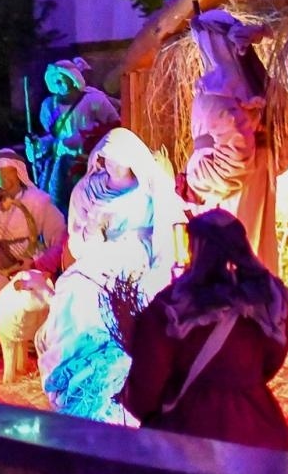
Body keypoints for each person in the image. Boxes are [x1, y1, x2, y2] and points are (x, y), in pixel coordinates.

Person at [35, 128, 187, 425]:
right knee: (72, 285)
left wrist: (160, 267)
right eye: (106, 159)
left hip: (137, 251)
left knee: (102, 288)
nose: (111, 165)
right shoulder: (87, 190)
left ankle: (113, 356)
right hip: (100, 253)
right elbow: (78, 244)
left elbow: (166, 233)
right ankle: (74, 360)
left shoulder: (150, 187)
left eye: (118, 160)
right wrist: (91, 233)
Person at [120, 209, 288, 448]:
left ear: (196, 247)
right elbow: (273, 360)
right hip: (259, 431)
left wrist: (135, 401)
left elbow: (147, 386)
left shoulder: (172, 307)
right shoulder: (268, 301)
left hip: (189, 432)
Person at [185, 9, 288, 273]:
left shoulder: (217, 92)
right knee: (257, 248)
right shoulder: (260, 84)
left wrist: (200, 180)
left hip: (230, 191)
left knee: (236, 253)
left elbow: (236, 152)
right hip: (256, 176)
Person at [0, 149, 66, 360]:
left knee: (35, 293)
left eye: (7, 172)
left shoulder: (38, 202)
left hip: (29, 267)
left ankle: (34, 340)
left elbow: (59, 239)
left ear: (19, 173)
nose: (2, 179)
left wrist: (36, 263)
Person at [29, 58, 121, 214]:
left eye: (61, 79)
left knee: (88, 201)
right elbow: (52, 137)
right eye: (55, 80)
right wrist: (38, 146)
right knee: (57, 202)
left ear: (72, 78)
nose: (58, 83)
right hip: (60, 164)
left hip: (87, 161)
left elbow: (114, 125)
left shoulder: (94, 100)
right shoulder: (49, 105)